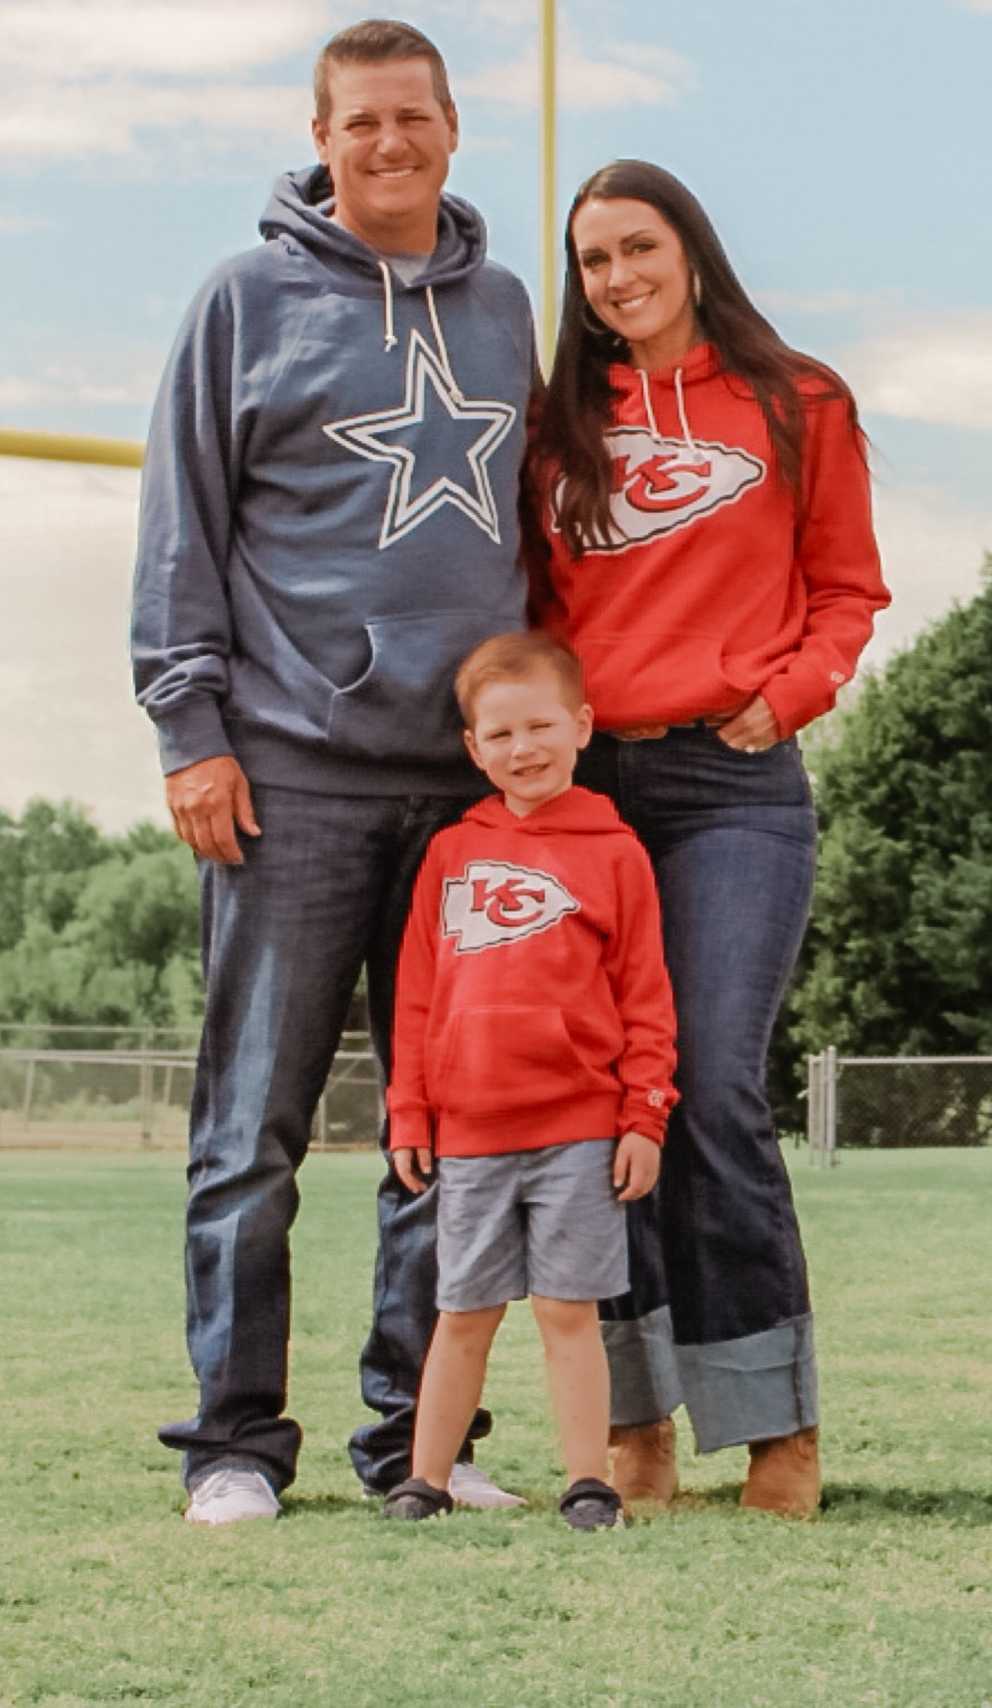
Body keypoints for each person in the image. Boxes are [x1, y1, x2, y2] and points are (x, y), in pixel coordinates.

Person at [132, 20, 540, 1526]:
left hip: (461, 793)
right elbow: (180, 520)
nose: (388, 143)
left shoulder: (500, 307)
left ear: (451, 125)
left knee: (446, 1128)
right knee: (254, 1130)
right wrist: (190, 729)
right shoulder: (243, 299)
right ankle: (234, 1442)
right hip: (289, 776)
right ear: (320, 134)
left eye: (412, 117)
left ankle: (411, 1442)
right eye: (359, 121)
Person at [530, 160, 889, 1517]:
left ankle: (773, 1426)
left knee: (716, 1088)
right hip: (592, 796)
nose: (615, 278)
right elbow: (526, 612)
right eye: (591, 262)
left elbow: (846, 591)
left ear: (689, 249)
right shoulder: (557, 425)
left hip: (736, 789)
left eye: (637, 247)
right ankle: (634, 1421)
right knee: (608, 1103)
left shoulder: (799, 400)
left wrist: (786, 692)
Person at [381, 632, 679, 1532]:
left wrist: (644, 1114)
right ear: (474, 749)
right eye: (501, 734)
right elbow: (417, 996)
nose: (524, 749)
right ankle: (424, 1480)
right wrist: (409, 1109)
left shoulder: (615, 853)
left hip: (581, 1131)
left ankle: (587, 1483)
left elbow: (645, 995)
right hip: (469, 1132)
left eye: (541, 725)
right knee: (462, 1313)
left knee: (565, 1310)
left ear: (582, 725)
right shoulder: (449, 855)